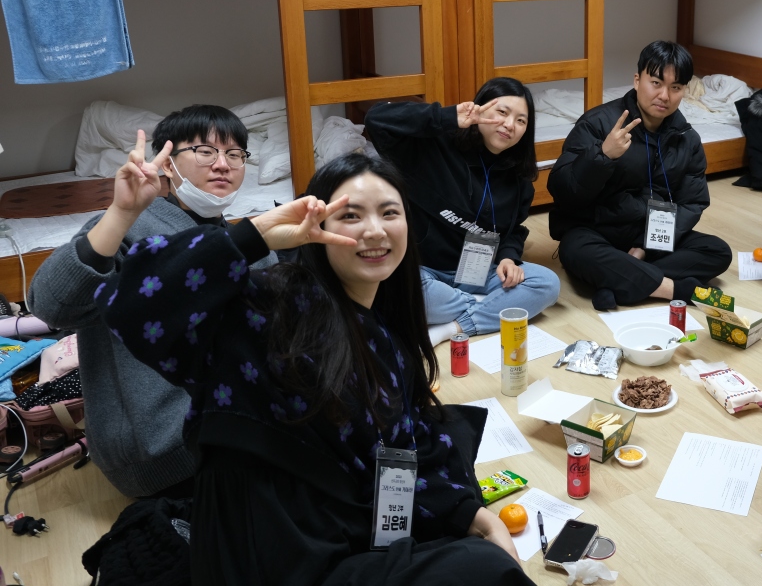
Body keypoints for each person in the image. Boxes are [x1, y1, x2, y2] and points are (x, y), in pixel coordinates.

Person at [96, 147, 531, 586]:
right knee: (482, 568)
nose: (374, 230)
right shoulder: (269, 304)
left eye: (389, 213)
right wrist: (255, 235)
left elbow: (408, 441)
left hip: (346, 524)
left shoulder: (390, 332)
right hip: (274, 551)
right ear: (317, 227)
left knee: (451, 436)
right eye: (351, 216)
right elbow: (133, 308)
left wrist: (476, 517)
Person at [28, 105, 268, 498]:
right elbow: (51, 306)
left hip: (231, 433)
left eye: (235, 153)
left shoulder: (241, 239)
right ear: (168, 164)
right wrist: (120, 213)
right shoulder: (133, 230)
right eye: (205, 151)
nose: (223, 164)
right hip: (163, 453)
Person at [365, 78, 560, 344]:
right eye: (502, 112)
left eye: (521, 121)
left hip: (478, 273)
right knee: (394, 290)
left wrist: (508, 258)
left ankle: (453, 326)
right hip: (423, 270)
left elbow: (513, 229)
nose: (509, 124)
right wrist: (447, 117)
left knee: (547, 283)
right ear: (479, 109)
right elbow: (376, 119)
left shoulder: (519, 178)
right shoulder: (432, 147)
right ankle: (489, 307)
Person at [548, 40, 732, 310]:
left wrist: (644, 247)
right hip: (595, 229)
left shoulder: (687, 138)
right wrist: (602, 156)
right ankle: (674, 288)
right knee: (575, 250)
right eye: (656, 83)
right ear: (637, 81)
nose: (664, 96)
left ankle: (618, 281)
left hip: (649, 233)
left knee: (717, 251)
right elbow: (563, 191)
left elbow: (692, 203)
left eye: (675, 87)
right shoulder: (598, 123)